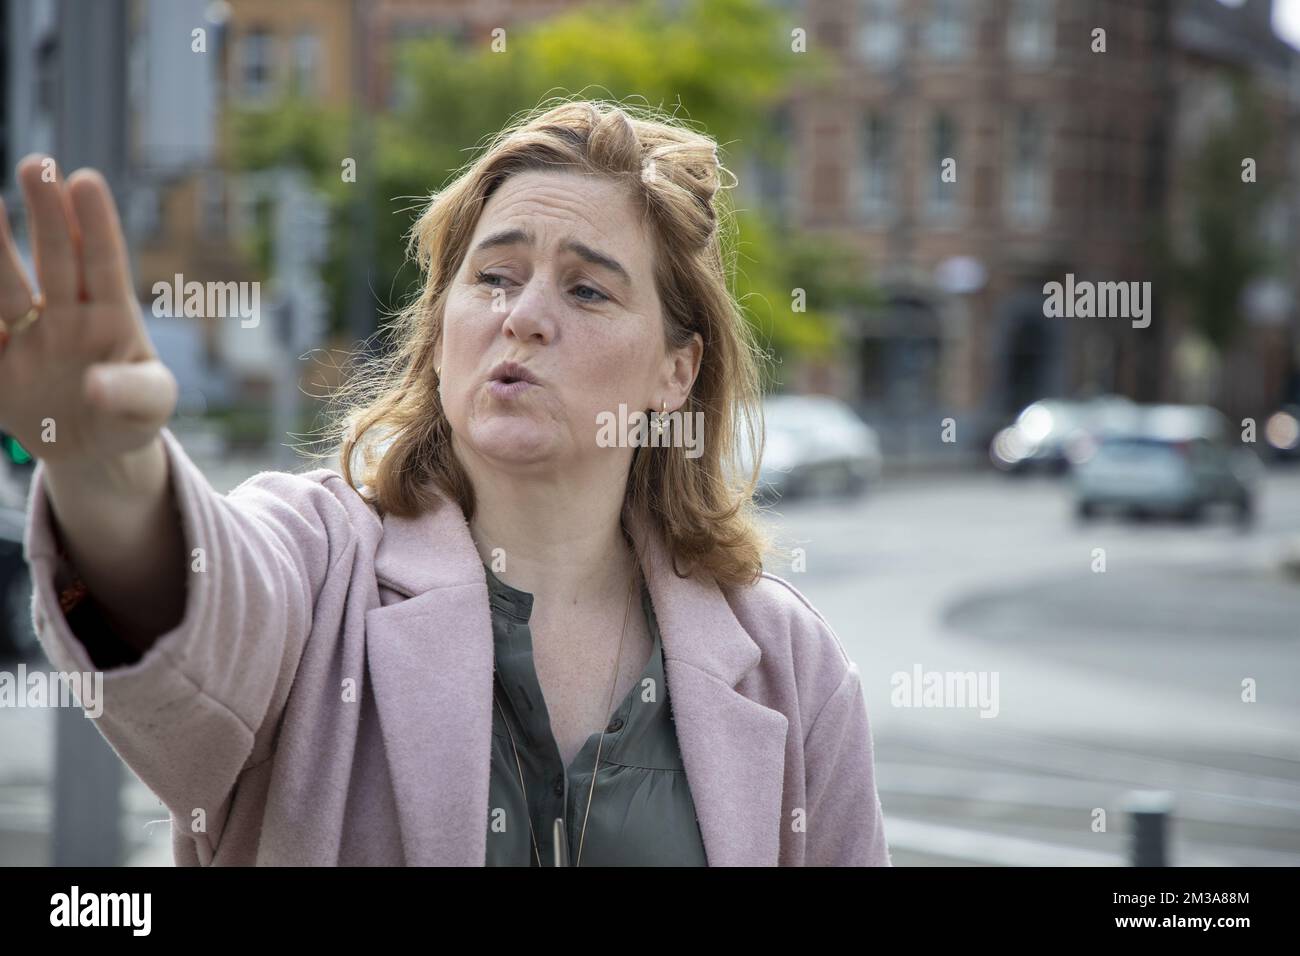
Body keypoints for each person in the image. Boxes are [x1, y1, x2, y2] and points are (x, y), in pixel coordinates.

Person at [1, 99, 891, 866]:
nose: (523, 316)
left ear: (675, 371)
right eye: (493, 277)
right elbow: (193, 618)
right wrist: (103, 468)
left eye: (587, 291)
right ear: (440, 328)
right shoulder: (318, 563)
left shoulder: (788, 664)